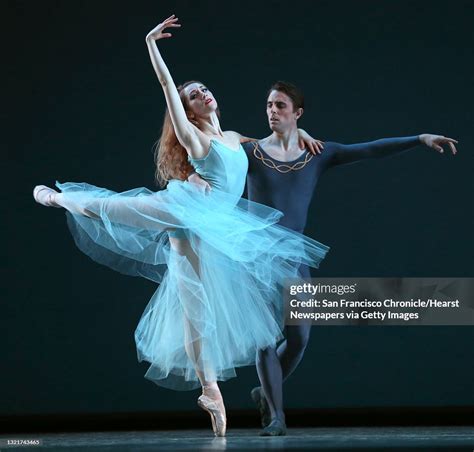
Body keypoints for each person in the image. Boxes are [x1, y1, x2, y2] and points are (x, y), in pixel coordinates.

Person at [32, 16, 329, 437]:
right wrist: (152, 45)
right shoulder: (196, 138)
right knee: (114, 208)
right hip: (181, 210)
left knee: (195, 307)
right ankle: (57, 196)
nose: (201, 94)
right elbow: (168, 90)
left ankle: (209, 390)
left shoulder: (235, 138)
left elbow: (274, 140)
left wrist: (305, 132)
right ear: (188, 110)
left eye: (203, 89)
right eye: (193, 95)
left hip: (208, 228)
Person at [189, 81, 458, 436]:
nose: (272, 111)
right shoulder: (250, 150)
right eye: (269, 105)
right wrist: (193, 176)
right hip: (255, 255)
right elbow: (212, 157)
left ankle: (265, 392)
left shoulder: (317, 153)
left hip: (294, 255)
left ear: (296, 113)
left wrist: (419, 138)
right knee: (265, 338)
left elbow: (369, 150)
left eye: (281, 106)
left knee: (298, 338)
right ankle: (276, 416)